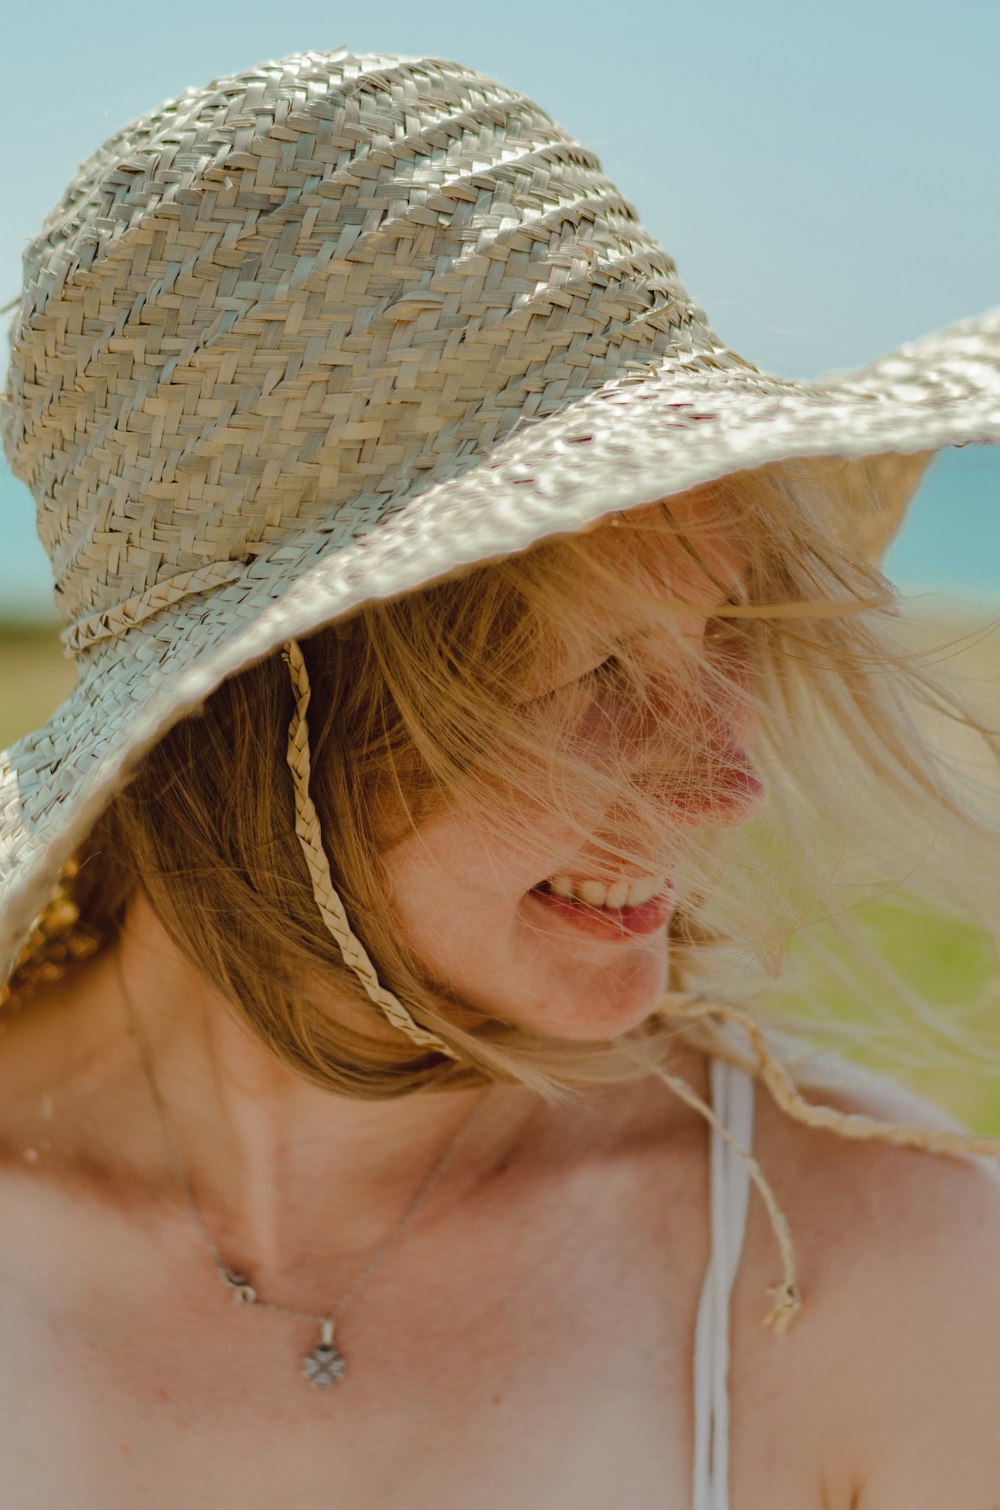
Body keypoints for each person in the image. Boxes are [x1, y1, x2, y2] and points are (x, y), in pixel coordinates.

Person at [1, 45, 999, 1509]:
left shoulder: (880, 1272)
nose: (732, 783)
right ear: (268, 711)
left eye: (726, 632)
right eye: (597, 676)